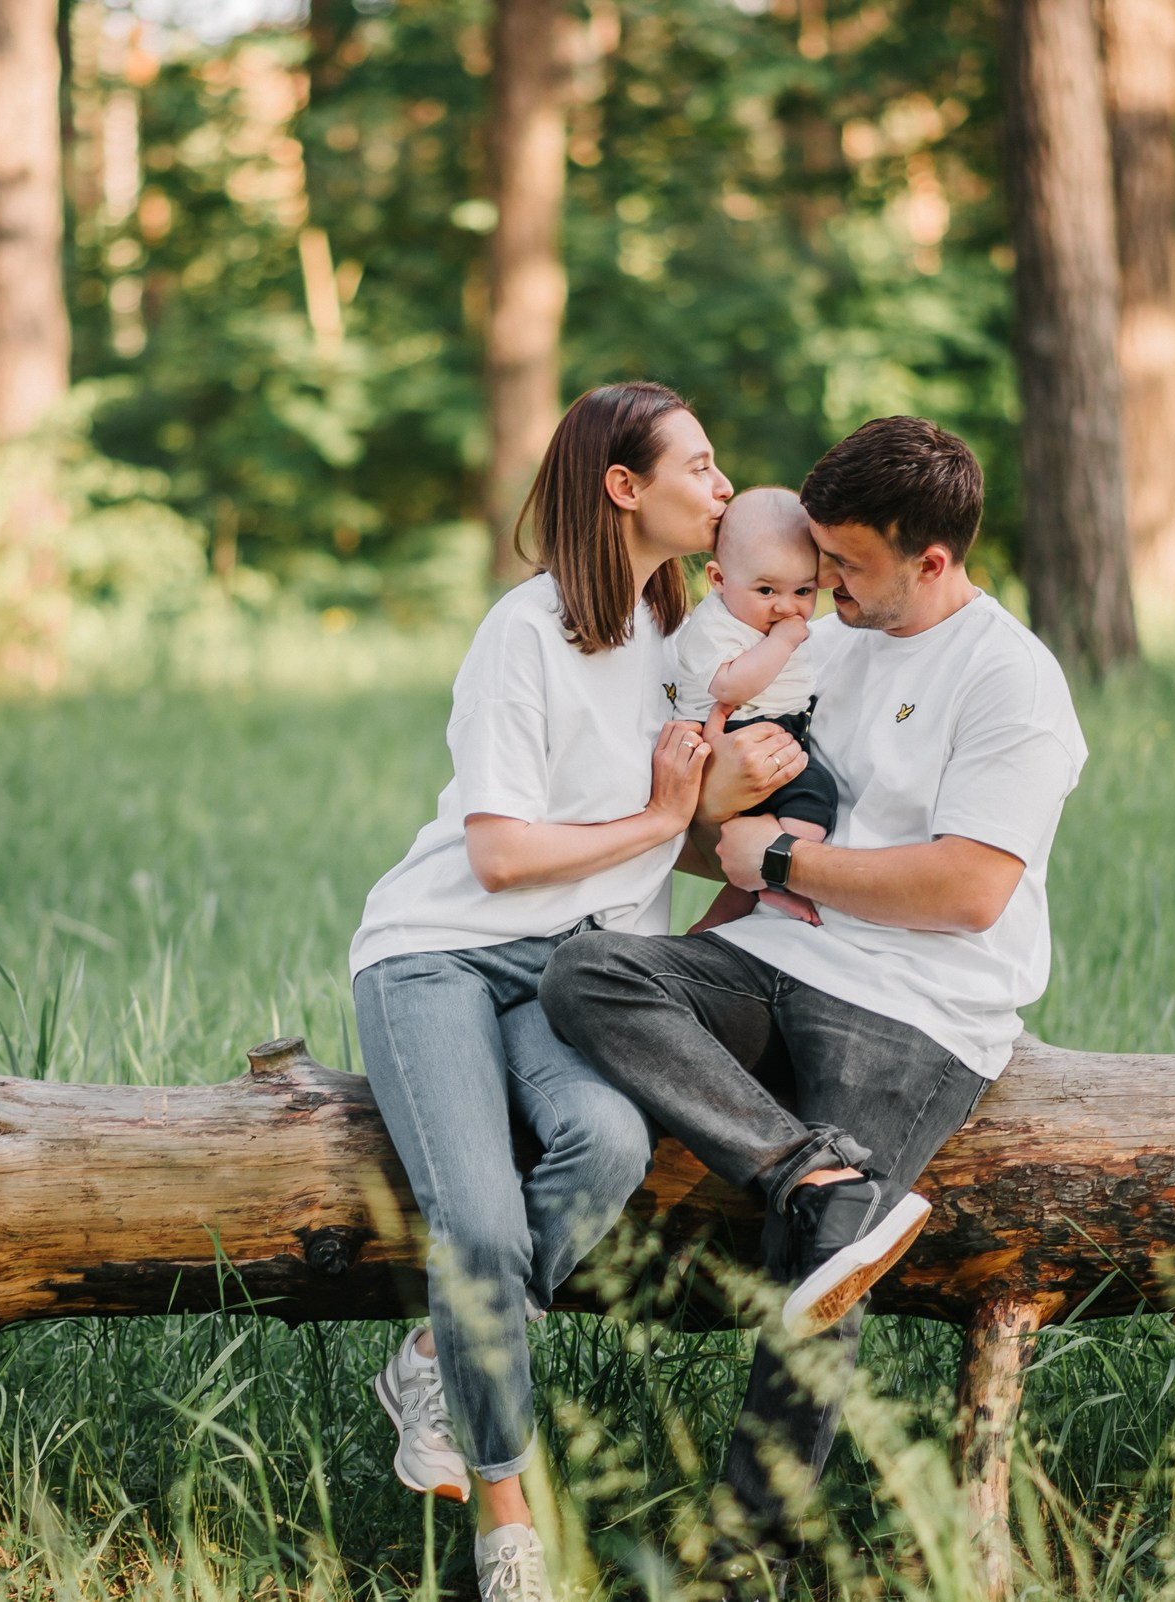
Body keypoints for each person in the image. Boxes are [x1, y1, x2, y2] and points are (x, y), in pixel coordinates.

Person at [540, 415, 1088, 1584]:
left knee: (814, 1270)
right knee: (587, 972)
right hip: (782, 958)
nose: (818, 584)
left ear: (930, 561)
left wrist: (778, 865)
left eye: (846, 564)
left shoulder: (1012, 681)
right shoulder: (824, 645)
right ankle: (807, 1168)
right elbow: (711, 828)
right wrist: (711, 822)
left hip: (923, 1004)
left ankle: (746, 1557)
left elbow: (970, 890)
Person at [348, 382, 805, 1602]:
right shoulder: (525, 632)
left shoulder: (685, 631)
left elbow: (769, 667)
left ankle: (434, 1357)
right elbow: (499, 853)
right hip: (441, 950)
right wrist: (660, 817)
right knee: (484, 1224)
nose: (721, 488)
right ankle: (506, 1522)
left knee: (605, 1144)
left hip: (574, 969)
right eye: (699, 467)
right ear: (623, 486)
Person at [670, 486, 838, 930]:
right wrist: (783, 642)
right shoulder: (713, 625)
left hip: (774, 731)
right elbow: (730, 686)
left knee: (806, 805)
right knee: (813, 793)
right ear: (719, 578)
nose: (786, 606)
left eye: (804, 589)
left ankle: (749, 897)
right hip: (731, 735)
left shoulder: (765, 618)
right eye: (766, 590)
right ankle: (775, 883)